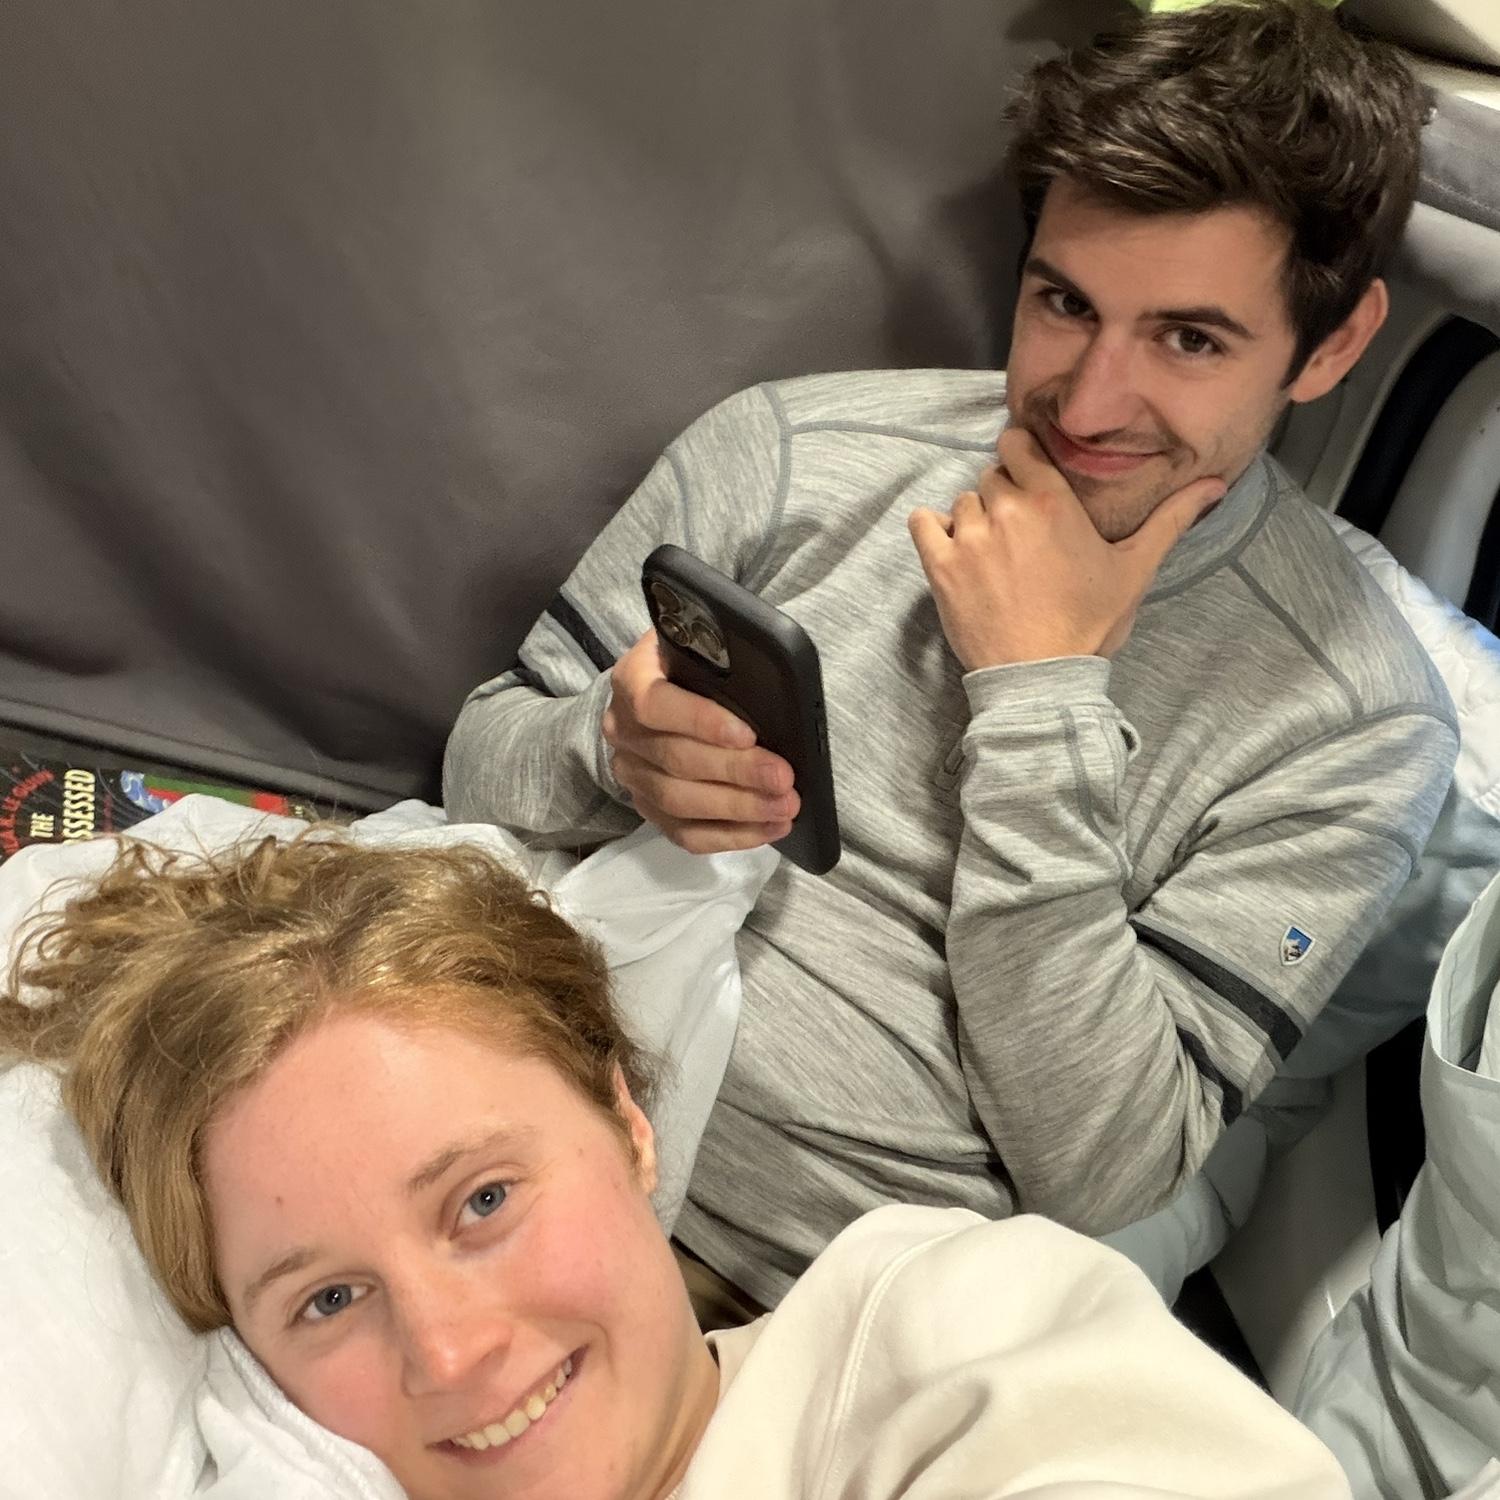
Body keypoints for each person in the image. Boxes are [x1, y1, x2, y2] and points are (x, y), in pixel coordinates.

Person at [442, 0, 1459, 1311]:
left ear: (1335, 345)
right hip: (490, 1114)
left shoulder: (1357, 728)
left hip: (797, 1293)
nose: (1088, 402)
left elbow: (1106, 1171)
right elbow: (478, 761)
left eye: (1190, 339)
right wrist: (607, 751)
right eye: (1064, 303)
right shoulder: (793, 455)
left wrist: (1038, 699)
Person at [0, 833, 1355, 1500]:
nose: (451, 1353)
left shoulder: (942, 1333)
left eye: (482, 1202)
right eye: (328, 1299)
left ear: (630, 1126)